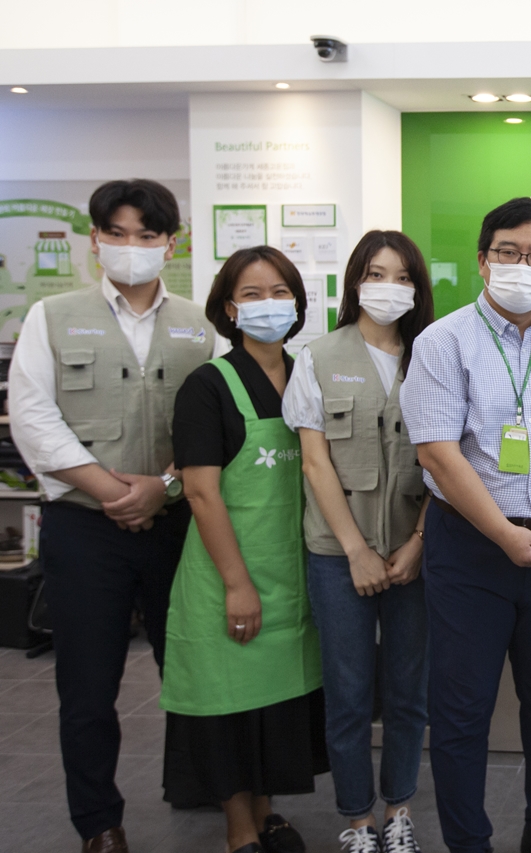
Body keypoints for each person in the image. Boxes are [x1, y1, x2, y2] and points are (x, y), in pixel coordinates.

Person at [8, 179, 215, 853]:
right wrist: (112, 492)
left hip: (177, 521)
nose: (132, 247)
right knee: (89, 684)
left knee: (187, 667)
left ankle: (199, 784)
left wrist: (161, 488)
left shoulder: (197, 323)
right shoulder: (51, 315)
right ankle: (99, 822)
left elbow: (215, 429)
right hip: (83, 527)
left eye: (147, 235)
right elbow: (34, 419)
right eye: (117, 234)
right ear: (94, 240)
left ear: (171, 244)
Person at [401, 197, 531, 853]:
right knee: (462, 708)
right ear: (483, 261)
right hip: (470, 546)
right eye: (509, 252)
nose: (524, 265)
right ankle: (468, 840)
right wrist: (503, 534)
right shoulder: (443, 340)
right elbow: (438, 452)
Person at [159, 246, 328, 853]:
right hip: (227, 573)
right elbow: (201, 493)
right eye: (252, 295)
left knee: (277, 708)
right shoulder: (208, 385)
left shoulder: (310, 373)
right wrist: (238, 583)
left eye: (280, 291)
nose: (268, 305)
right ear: (229, 308)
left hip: (295, 572)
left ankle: (267, 811)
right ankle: (239, 831)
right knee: (230, 709)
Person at [282, 230, 434, 853]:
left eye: (403, 277)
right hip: (337, 554)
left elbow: (450, 459)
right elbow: (314, 463)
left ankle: (398, 811)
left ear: (417, 288)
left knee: (408, 692)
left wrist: (419, 542)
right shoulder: (316, 357)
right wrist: (356, 550)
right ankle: (356, 820)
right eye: (377, 273)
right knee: (346, 694)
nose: (389, 287)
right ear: (354, 281)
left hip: (415, 554)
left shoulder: (434, 352)